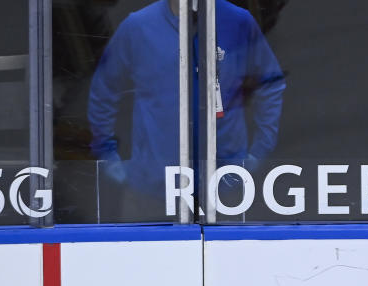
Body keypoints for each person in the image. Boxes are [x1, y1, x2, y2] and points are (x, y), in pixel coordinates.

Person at [88, 0, 285, 219]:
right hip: (151, 190)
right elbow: (104, 89)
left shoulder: (238, 22)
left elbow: (270, 82)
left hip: (225, 187)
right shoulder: (138, 26)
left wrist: (259, 151)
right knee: (144, 252)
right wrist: (108, 155)